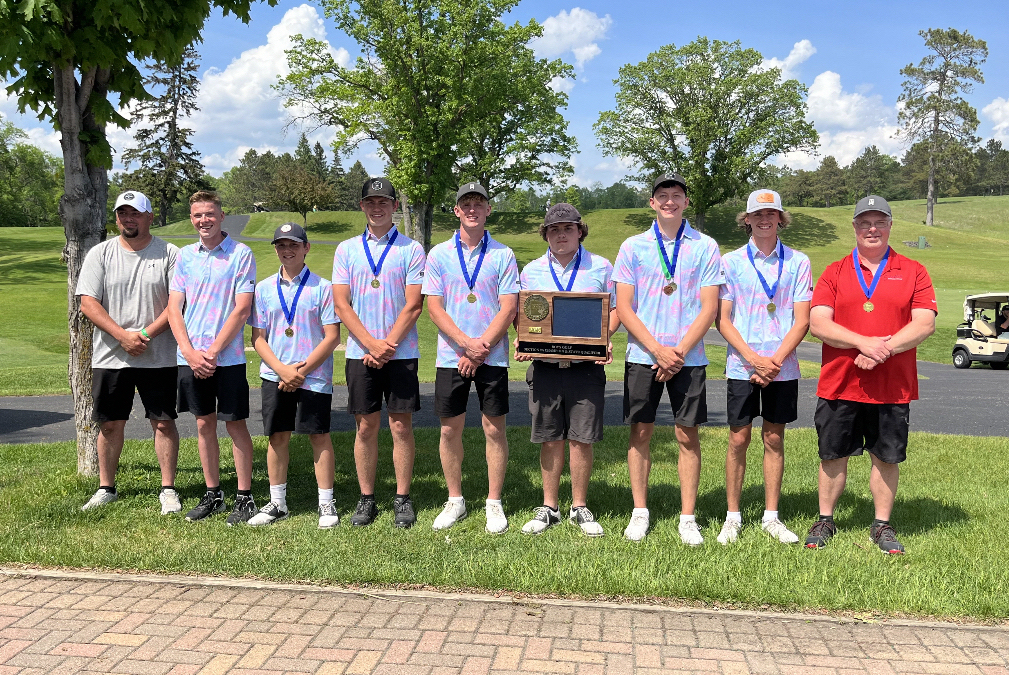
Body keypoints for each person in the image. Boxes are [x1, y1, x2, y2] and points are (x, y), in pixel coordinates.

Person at [805, 195, 937, 554]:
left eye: (880, 221)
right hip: (839, 381)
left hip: (891, 387)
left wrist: (884, 350)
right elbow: (818, 323)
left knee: (886, 456)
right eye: (865, 222)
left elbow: (924, 323)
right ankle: (825, 519)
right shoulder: (834, 271)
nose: (872, 229)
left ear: (891, 225)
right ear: (855, 227)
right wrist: (864, 343)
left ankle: (881, 524)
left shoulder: (913, 270)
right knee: (833, 455)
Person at [613, 173, 724, 544]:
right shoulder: (632, 246)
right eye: (663, 195)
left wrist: (676, 352)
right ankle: (639, 511)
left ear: (686, 202)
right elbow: (624, 307)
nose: (670, 201)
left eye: (677, 195)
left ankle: (687, 516)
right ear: (652, 202)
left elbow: (709, 308)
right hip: (643, 355)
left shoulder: (706, 246)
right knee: (640, 431)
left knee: (686, 434)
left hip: (688, 359)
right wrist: (658, 350)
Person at [515, 203, 619, 537]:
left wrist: (604, 340)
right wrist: (522, 341)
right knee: (549, 437)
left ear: (580, 231)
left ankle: (579, 507)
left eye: (568, 228)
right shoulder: (531, 271)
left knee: (581, 438)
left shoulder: (601, 267)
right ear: (546, 234)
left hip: (585, 368)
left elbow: (615, 310)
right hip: (545, 366)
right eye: (554, 230)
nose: (561, 235)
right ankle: (549, 507)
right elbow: (521, 315)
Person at [714, 189, 812, 545]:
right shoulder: (731, 262)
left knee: (774, 437)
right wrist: (755, 360)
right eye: (758, 214)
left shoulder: (799, 262)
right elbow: (723, 320)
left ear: (781, 219)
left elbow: (802, 321)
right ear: (748, 220)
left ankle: (771, 516)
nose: (765, 219)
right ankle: (733, 516)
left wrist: (773, 362)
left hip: (782, 368)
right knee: (738, 439)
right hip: (742, 365)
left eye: (772, 214)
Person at [76, 190, 182, 514]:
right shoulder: (100, 254)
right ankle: (106, 488)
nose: (128, 218)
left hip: (159, 354)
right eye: (123, 213)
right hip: (110, 356)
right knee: (109, 424)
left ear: (150, 217)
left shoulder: (170, 253)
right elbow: (88, 303)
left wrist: (145, 335)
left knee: (163, 423)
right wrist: (123, 336)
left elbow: (177, 303)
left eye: (135, 213)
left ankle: (168, 490)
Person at [422, 182, 519, 533]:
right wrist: (466, 345)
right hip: (452, 356)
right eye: (466, 203)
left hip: (492, 358)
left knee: (495, 429)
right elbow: (434, 306)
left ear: (488, 209)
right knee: (450, 430)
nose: (473, 209)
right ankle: (456, 500)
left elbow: (509, 307)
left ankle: (494, 502)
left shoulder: (504, 255)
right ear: (457, 210)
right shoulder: (438, 255)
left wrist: (480, 350)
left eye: (479, 203)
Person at [332, 177, 426, 528]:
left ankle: (402, 498)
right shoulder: (346, 250)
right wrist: (371, 344)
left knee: (401, 426)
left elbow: (414, 304)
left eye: (384, 202)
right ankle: (367, 498)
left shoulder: (411, 249)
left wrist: (386, 345)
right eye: (370, 202)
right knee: (365, 427)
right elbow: (342, 305)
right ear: (362, 206)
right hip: (361, 353)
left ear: (394, 207)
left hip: (401, 352)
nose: (377, 207)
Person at [168, 190, 258, 525]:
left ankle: (245, 495)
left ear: (221, 216)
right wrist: (190, 353)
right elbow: (175, 309)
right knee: (203, 423)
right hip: (190, 357)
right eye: (197, 215)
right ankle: (213, 493)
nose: (203, 220)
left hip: (228, 357)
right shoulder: (186, 257)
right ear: (192, 219)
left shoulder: (240, 254)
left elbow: (242, 308)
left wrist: (213, 352)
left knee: (234, 423)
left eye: (209, 214)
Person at [249, 223, 341, 528]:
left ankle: (326, 504)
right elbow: (258, 338)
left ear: (306, 248)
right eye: (281, 246)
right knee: (277, 436)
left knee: (318, 435)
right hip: (275, 374)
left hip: (313, 376)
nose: (287, 251)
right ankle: (278, 502)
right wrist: (283, 370)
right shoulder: (263, 289)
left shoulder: (323, 287)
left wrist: (300, 371)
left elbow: (331, 337)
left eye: (293, 245)